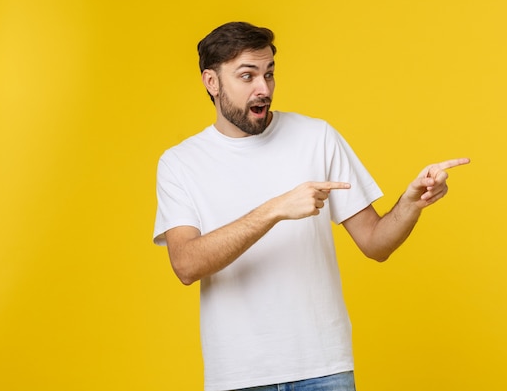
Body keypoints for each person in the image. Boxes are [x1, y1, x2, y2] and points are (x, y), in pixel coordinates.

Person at [153, 21, 470, 391]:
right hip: (239, 376)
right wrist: (275, 209)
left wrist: (412, 202)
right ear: (212, 82)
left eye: (269, 74)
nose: (263, 89)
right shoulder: (181, 163)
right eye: (247, 76)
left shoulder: (316, 137)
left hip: (324, 368)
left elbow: (376, 243)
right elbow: (186, 265)